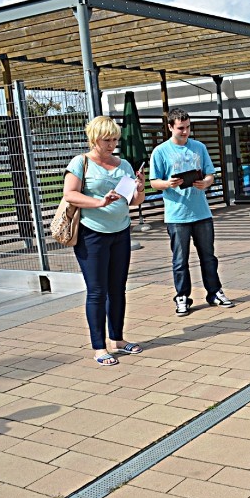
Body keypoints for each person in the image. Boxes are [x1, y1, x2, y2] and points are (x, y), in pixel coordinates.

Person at [63, 116, 146, 366]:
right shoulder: (81, 162)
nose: (112, 145)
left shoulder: (124, 165)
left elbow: (134, 202)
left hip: (120, 231)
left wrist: (140, 188)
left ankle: (118, 339)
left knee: (118, 288)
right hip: (92, 234)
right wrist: (100, 201)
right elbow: (70, 194)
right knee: (97, 291)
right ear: (94, 139)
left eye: (115, 140)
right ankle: (99, 347)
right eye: (107, 140)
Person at [149, 108, 233, 316]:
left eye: (187, 127)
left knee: (208, 256)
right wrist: (168, 183)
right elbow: (153, 182)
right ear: (170, 127)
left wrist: (205, 182)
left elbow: (210, 174)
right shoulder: (160, 152)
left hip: (202, 213)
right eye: (180, 128)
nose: (185, 132)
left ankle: (214, 292)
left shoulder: (199, 147)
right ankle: (182, 297)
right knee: (180, 260)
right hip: (176, 215)